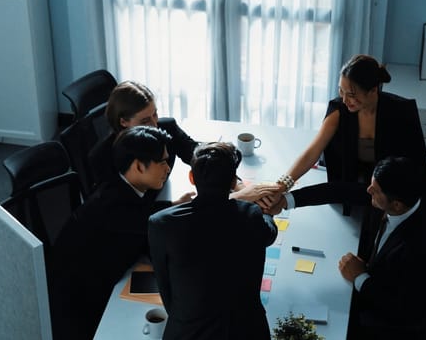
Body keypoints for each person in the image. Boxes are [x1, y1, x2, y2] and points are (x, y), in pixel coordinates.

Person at [51, 126, 194, 339]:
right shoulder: (112, 206)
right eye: (162, 162)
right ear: (138, 166)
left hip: (103, 277)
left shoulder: (125, 187)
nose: (168, 168)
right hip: (80, 303)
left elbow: (145, 217)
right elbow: (147, 222)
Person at [264, 54, 426, 214]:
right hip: (349, 190)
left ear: (373, 90)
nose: (344, 100)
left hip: (387, 196)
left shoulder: (401, 112)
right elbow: (313, 152)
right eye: (341, 91)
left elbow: (418, 168)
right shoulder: (339, 111)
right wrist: (281, 186)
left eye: (351, 94)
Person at [148, 142, 278, 340]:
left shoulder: (161, 223)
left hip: (187, 330)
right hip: (247, 330)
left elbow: (165, 288)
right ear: (233, 180)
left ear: (191, 178)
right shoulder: (250, 215)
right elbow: (270, 233)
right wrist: (266, 211)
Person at [89, 80, 279, 201]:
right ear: (123, 122)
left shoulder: (166, 128)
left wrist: (233, 182)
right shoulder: (101, 157)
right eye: (145, 121)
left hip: (166, 197)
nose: (155, 125)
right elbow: (124, 211)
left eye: (155, 114)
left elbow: (196, 152)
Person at [337, 156, 426, 339]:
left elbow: (401, 307)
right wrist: (289, 200)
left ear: (396, 205)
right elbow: (339, 191)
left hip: (384, 312)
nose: (368, 190)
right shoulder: (396, 199)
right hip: (377, 274)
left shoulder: (419, 247)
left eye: (374, 190)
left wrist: (360, 277)